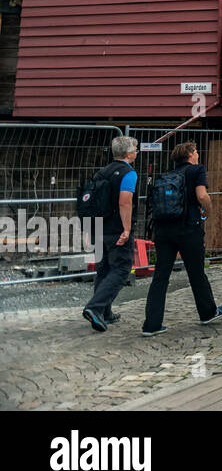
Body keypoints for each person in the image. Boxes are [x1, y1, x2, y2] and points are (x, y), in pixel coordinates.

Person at [140, 142, 222, 335]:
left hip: (163, 230)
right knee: (196, 272)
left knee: (161, 276)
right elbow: (202, 195)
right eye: (196, 151)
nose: (197, 154)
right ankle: (207, 312)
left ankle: (151, 324)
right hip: (188, 228)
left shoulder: (167, 175)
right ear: (189, 154)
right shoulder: (196, 171)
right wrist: (208, 210)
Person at [82, 135, 141, 332]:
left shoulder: (101, 172)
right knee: (121, 269)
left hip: (98, 227)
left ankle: (105, 311)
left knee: (104, 269)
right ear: (128, 153)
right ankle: (95, 307)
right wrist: (127, 228)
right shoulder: (128, 173)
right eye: (135, 149)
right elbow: (125, 200)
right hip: (116, 228)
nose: (137, 152)